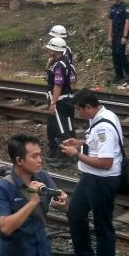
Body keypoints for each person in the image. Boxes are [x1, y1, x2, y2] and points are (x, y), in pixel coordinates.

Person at [60, 89, 122, 256]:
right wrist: (80, 142)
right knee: (75, 213)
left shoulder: (104, 127)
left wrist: (76, 153)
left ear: (89, 107)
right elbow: (97, 145)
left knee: (103, 228)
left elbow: (105, 162)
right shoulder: (100, 117)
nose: (78, 114)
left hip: (102, 181)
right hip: (90, 178)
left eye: (79, 110)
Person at [45, 36, 76, 165]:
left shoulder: (59, 65)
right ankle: (67, 155)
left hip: (60, 101)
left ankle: (65, 158)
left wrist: (53, 102)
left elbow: (58, 85)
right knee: (67, 129)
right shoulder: (65, 62)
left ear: (56, 49)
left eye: (51, 48)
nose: (49, 50)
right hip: (66, 100)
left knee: (62, 130)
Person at [108, 0, 129, 84]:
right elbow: (110, 22)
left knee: (120, 53)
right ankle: (119, 75)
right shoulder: (113, 7)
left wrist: (125, 36)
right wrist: (109, 36)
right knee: (115, 54)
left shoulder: (125, 7)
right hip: (115, 34)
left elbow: (127, 22)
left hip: (122, 33)